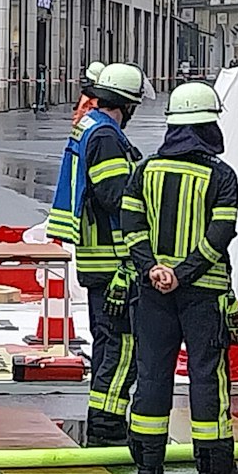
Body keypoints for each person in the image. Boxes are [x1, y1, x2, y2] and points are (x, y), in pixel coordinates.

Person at [122, 82, 238, 474]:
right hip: (204, 293)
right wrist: (184, 272)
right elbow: (220, 233)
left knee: (153, 372)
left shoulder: (145, 170)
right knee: (207, 375)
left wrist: (153, 269)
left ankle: (148, 464)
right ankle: (214, 468)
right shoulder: (221, 176)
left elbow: (131, 227)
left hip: (152, 293)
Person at [47, 64, 148, 446]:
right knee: (121, 345)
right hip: (113, 260)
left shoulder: (88, 127)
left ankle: (101, 416)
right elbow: (113, 195)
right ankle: (107, 425)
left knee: (107, 341)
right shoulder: (106, 136)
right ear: (127, 104)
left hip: (97, 257)